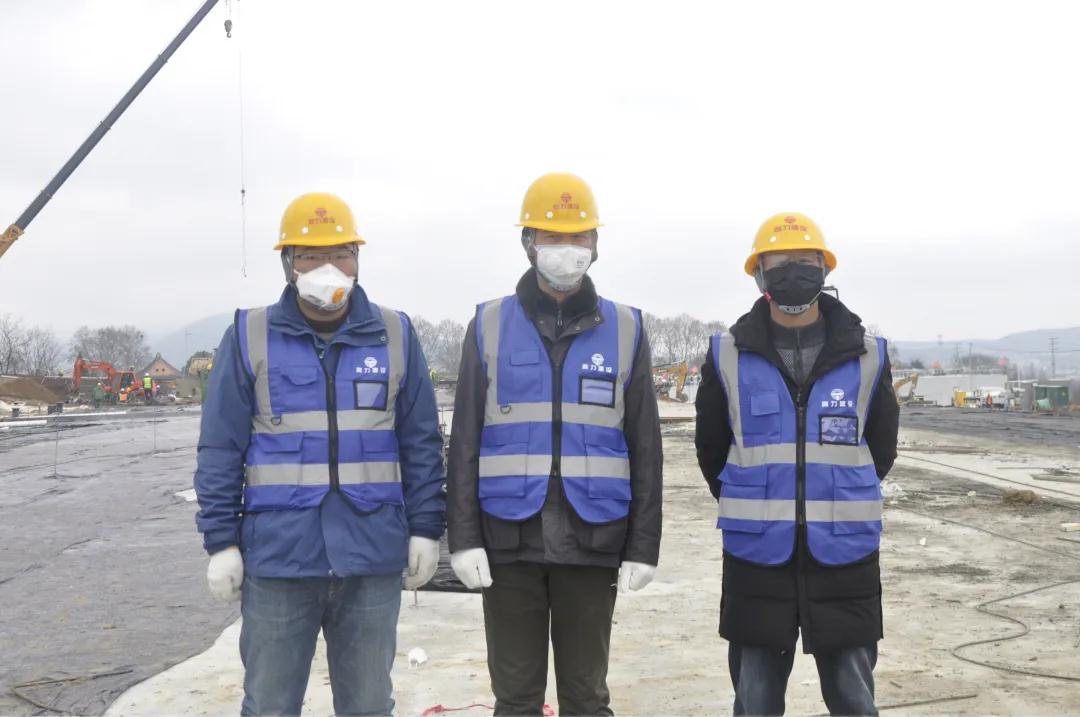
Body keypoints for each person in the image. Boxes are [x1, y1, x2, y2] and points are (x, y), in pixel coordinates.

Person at [193, 192, 446, 716]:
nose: (327, 267)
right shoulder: (249, 335)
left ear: (358, 258)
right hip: (280, 560)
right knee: (270, 705)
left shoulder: (395, 334)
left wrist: (426, 528)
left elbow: (421, 441)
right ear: (289, 263)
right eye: (310, 255)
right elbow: (221, 446)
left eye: (340, 254)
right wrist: (221, 541)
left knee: (368, 706)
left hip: (370, 555)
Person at [447, 172, 663, 715]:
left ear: (595, 244)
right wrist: (463, 539)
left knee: (587, 698)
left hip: (593, 540)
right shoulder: (488, 324)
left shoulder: (626, 328)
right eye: (552, 237)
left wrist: (643, 545)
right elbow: (465, 441)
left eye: (577, 237)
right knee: (516, 699)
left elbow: (644, 447)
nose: (566, 249)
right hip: (508, 541)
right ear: (528, 243)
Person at [695, 213, 899, 716]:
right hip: (757, 556)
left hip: (845, 555)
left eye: (805, 261)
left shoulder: (868, 355)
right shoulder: (727, 355)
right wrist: (760, 499)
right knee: (756, 699)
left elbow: (881, 449)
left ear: (824, 270)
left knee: (853, 698)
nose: (793, 271)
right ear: (759, 272)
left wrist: (835, 495)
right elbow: (711, 449)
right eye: (780, 262)